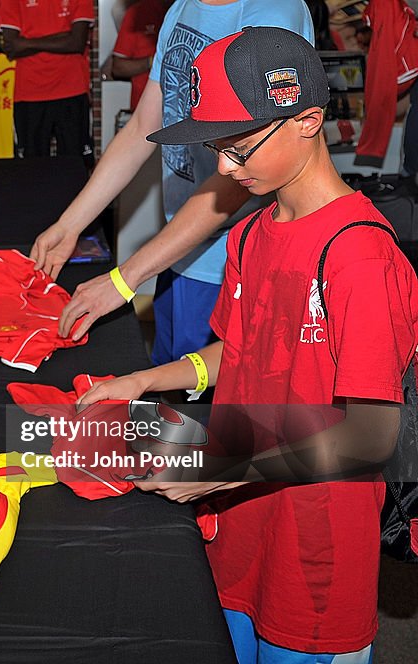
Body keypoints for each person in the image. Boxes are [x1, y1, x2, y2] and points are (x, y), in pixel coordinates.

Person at [79, 27, 418, 662]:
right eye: (217, 149)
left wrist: (222, 470)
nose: (225, 171)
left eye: (240, 148)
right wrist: (146, 381)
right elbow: (241, 353)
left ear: (308, 120)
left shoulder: (361, 259)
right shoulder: (252, 232)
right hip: (239, 526)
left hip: (314, 554)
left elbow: (372, 435)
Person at [30, 0, 313, 366]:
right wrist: (69, 225)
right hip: (179, 248)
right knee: (172, 393)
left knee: (215, 409)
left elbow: (245, 168)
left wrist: (124, 278)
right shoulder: (180, 8)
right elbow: (142, 127)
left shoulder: (271, 13)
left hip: (234, 262)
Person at [0, 0, 95, 167]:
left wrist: (27, 42)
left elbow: (77, 42)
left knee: (76, 166)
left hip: (71, 90)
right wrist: (63, 37)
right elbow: (12, 46)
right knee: (30, 169)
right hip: (29, 93)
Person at [103, 0, 172, 111]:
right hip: (144, 110)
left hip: (182, 112)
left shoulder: (190, 12)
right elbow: (118, 68)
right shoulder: (138, 12)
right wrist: (153, 61)